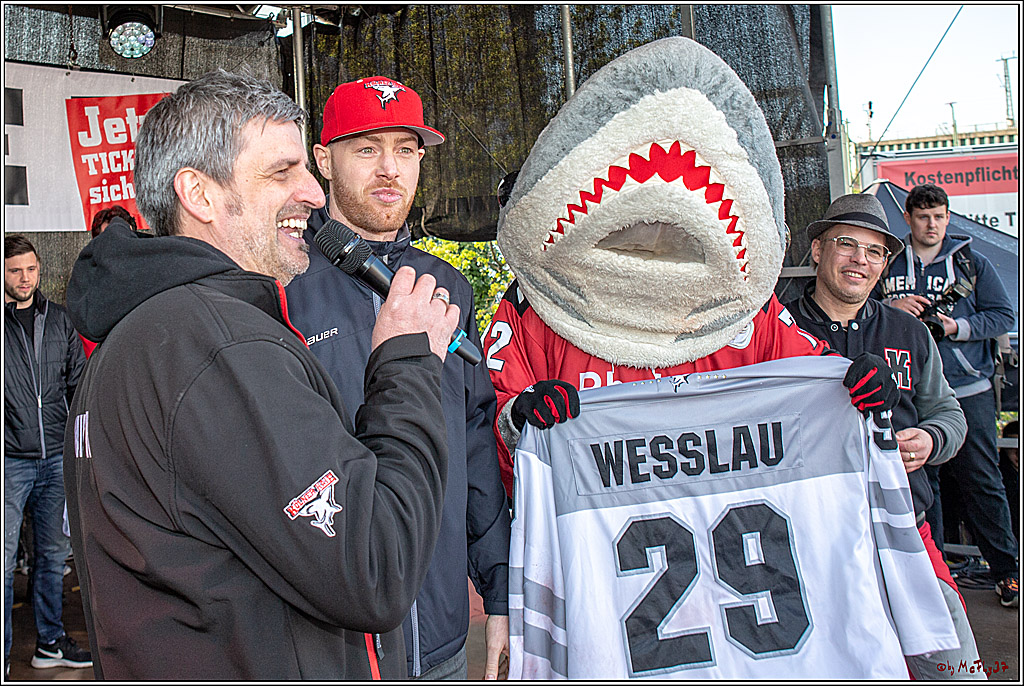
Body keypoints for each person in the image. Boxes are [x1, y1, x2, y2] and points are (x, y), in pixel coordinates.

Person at [62, 69, 462, 680]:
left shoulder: (147, 331)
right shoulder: (217, 346)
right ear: (198, 194)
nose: (313, 193)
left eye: (306, 169)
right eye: (282, 173)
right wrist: (406, 364)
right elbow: (377, 568)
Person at [284, 76, 510, 681]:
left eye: (406, 150)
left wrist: (500, 593)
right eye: (366, 148)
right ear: (324, 160)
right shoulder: (281, 285)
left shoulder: (445, 286)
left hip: (439, 637)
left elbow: (472, 444)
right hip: (333, 644)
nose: (390, 168)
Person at [785, 192, 981, 679]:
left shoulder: (909, 332)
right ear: (817, 250)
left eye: (875, 252)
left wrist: (931, 440)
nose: (860, 260)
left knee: (954, 668)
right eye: (847, 244)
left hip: (902, 531)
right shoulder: (776, 330)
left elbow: (950, 416)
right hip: (809, 542)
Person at [873, 183, 1018, 608]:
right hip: (910, 390)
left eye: (938, 216)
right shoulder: (890, 259)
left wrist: (956, 328)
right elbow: (863, 307)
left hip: (967, 387)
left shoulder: (973, 261)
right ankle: (932, 571)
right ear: (909, 219)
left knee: (981, 479)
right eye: (922, 216)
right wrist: (893, 311)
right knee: (921, 480)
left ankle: (1007, 570)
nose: (931, 224)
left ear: (948, 217)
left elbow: (1003, 316)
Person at [4, 235, 90, 673]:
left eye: (31, 269)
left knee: (52, 558)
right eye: (15, 270)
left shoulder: (60, 321)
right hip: (10, 461)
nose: (25, 278)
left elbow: (78, 389)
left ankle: (51, 644)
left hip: (54, 457)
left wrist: (77, 448)